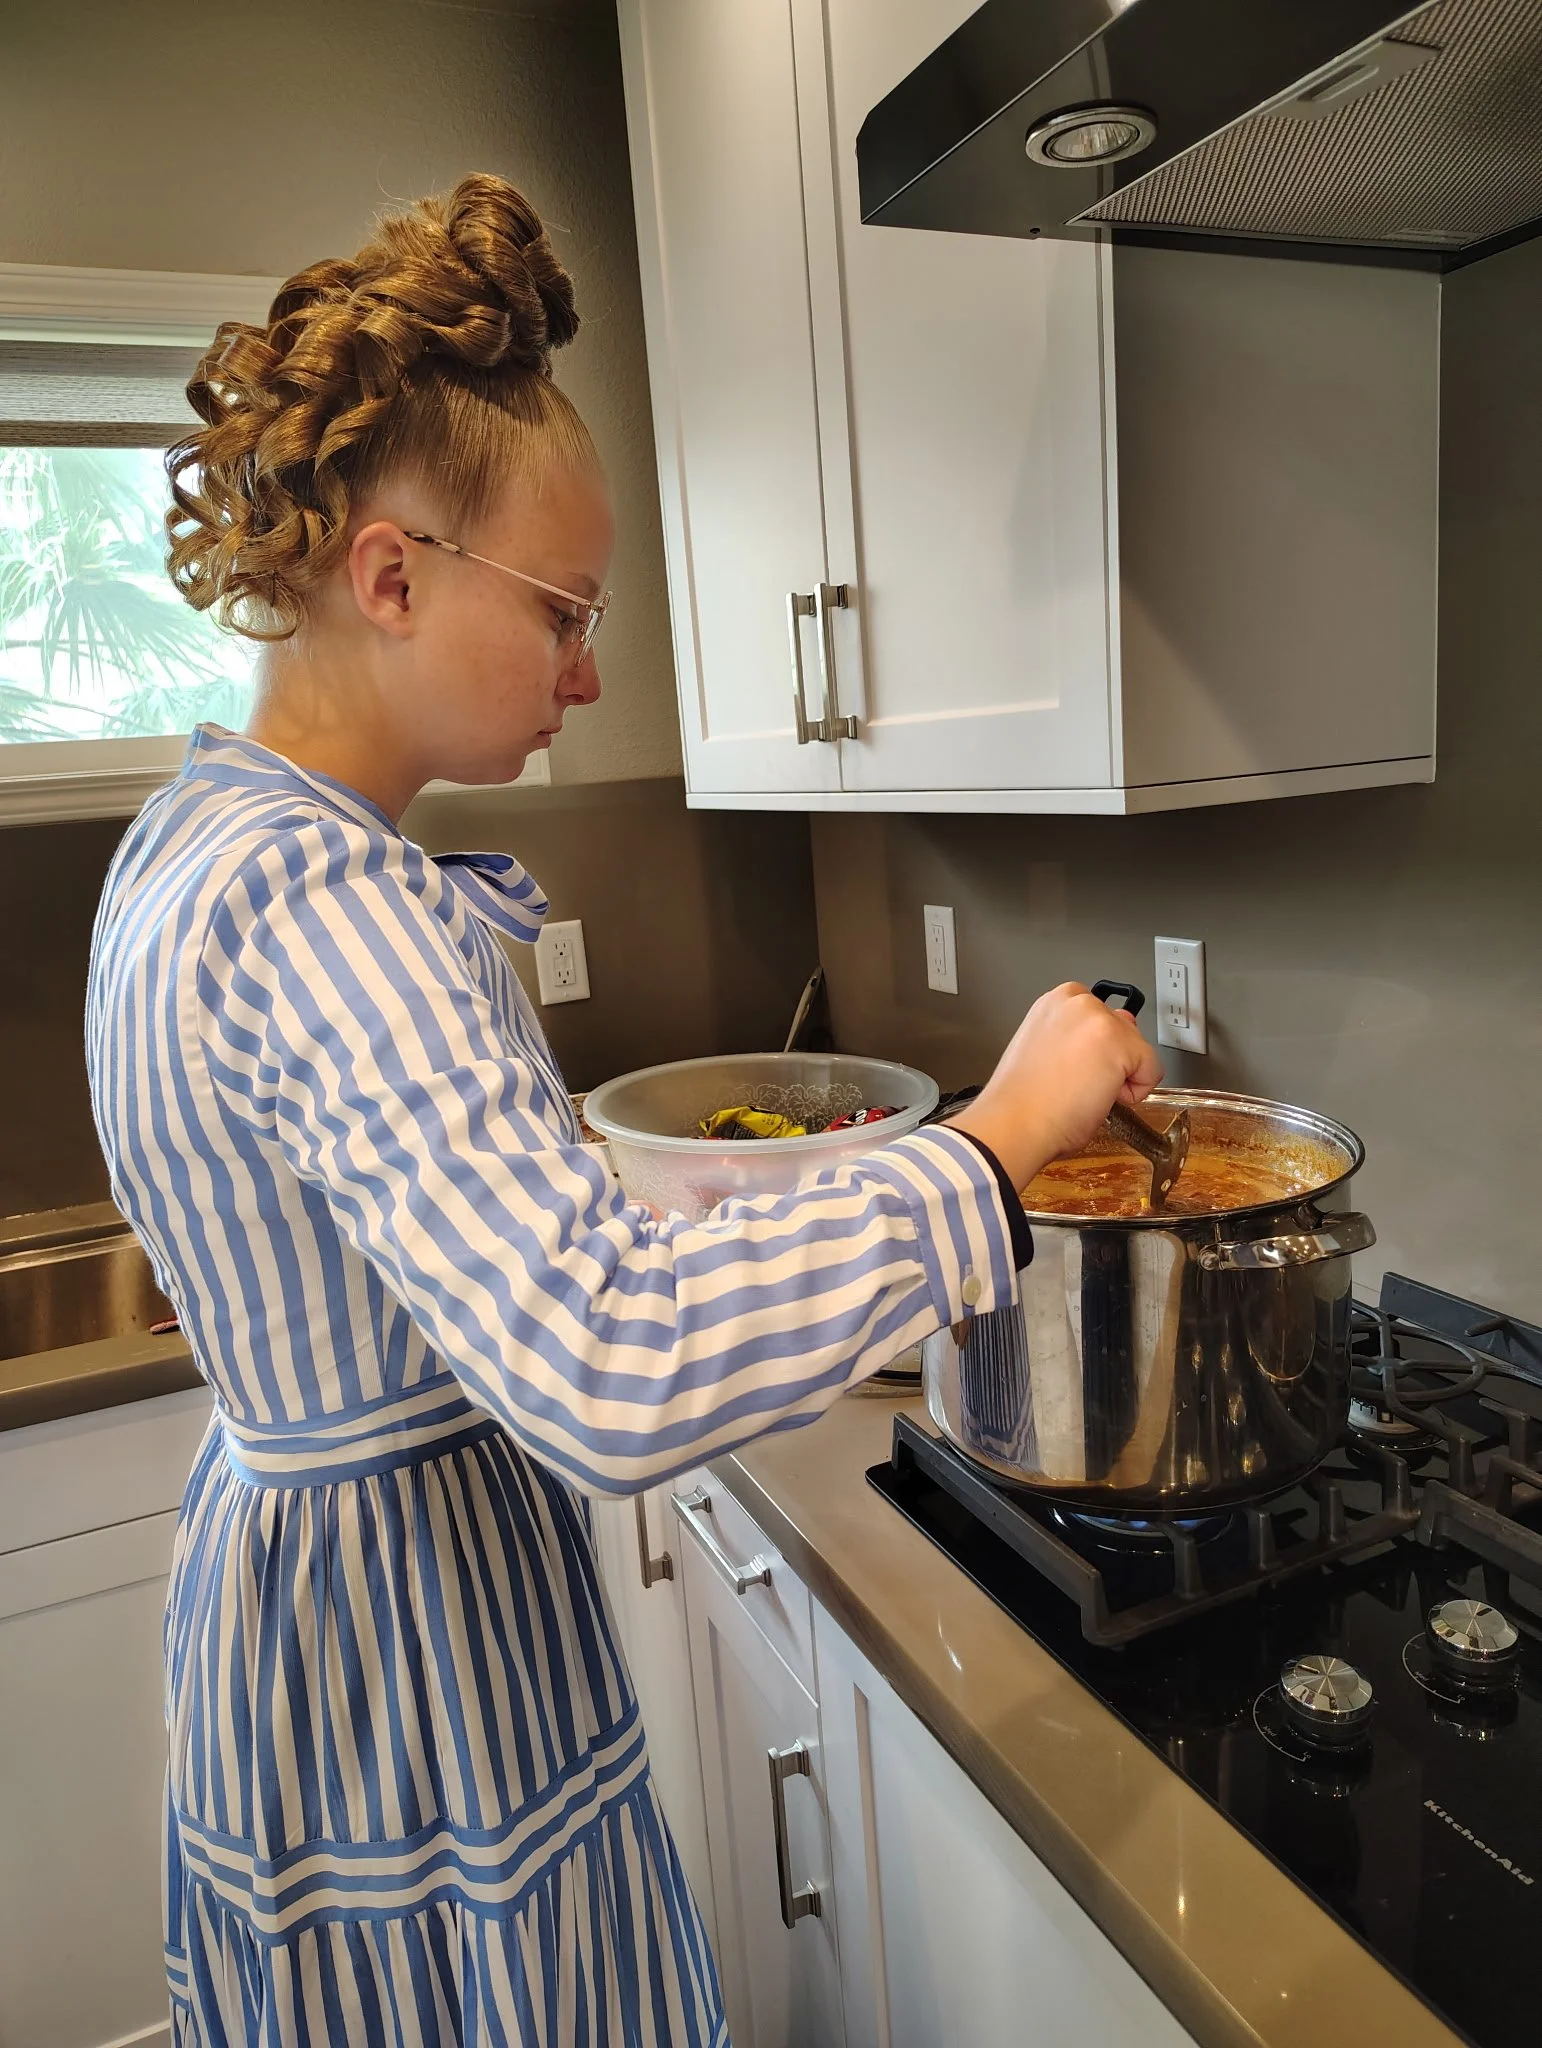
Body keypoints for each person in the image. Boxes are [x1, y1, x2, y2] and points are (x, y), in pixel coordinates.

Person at [85, 174, 1161, 2048]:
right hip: (410, 1652)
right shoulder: (330, 903)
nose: (591, 672)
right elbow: (604, 1367)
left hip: (292, 1619)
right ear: (393, 572)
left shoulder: (199, 836)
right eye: (568, 612)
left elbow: (375, 1228)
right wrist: (990, 1140)